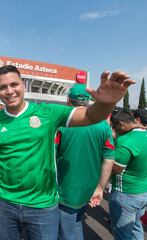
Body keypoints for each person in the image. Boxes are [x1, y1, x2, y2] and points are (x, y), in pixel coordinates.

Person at [0, 65, 134, 240]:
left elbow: (91, 116)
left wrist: (107, 103)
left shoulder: (47, 112)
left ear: (23, 85)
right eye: (3, 87)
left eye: (14, 84)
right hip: (5, 203)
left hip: (43, 206)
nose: (9, 91)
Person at [55, 84, 114, 240]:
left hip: (66, 189)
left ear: (68, 100)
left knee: (67, 232)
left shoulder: (62, 124)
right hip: (89, 188)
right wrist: (100, 188)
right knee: (76, 224)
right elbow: (109, 159)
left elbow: (50, 155)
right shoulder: (103, 125)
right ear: (88, 101)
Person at [109, 110, 147, 240]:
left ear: (120, 124)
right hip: (144, 192)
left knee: (122, 234)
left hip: (125, 194)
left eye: (114, 127)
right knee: (136, 227)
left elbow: (115, 169)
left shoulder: (126, 140)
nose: (113, 130)